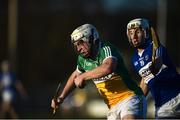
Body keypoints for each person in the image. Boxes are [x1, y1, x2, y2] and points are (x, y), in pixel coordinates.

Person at [51, 23, 147, 119]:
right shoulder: (82, 59)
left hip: (130, 98)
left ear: (91, 39)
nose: (79, 48)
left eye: (81, 43)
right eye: (76, 45)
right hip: (112, 107)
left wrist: (83, 76)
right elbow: (75, 75)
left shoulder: (106, 49)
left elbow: (108, 67)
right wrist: (61, 98)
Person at [126, 18, 180, 118]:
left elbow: (157, 64)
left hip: (175, 97)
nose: (134, 36)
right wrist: (137, 100)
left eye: (137, 32)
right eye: (131, 33)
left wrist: (153, 67)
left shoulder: (156, 47)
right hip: (161, 104)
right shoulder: (135, 58)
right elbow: (145, 80)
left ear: (145, 32)